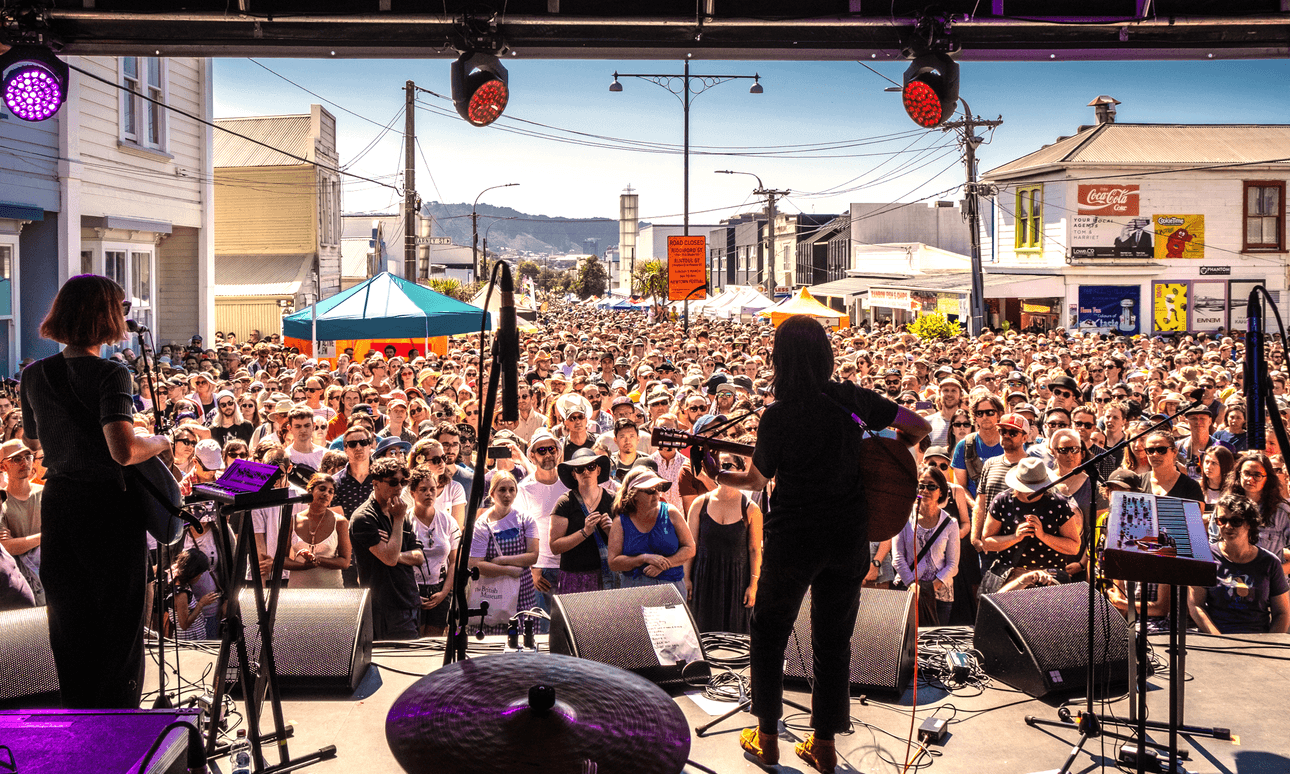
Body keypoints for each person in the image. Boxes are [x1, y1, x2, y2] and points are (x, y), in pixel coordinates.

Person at [708, 315, 929, 774]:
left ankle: (767, 738)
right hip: (848, 534)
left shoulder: (777, 415)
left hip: (794, 537)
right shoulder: (849, 397)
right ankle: (824, 745)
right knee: (834, 640)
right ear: (825, 354)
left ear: (780, 359)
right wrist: (892, 452)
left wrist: (715, 474)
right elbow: (919, 424)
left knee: (769, 631)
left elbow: (755, 478)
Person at [21, 274, 172, 707]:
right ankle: (118, 729)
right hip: (107, 505)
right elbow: (123, 451)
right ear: (106, 316)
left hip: (60, 503)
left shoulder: (34, 375)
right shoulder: (112, 373)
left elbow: (34, 442)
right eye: (121, 309)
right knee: (118, 621)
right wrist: (159, 440)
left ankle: (79, 720)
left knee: (69, 618)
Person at [684, 451, 763, 634]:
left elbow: (754, 550)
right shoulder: (699, 504)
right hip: (704, 579)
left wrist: (753, 584)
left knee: (735, 637)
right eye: (717, 466)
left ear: (743, 470)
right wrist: (686, 579)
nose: (721, 471)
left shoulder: (751, 509)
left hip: (736, 582)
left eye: (727, 466)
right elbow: (690, 546)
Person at [1188, 494, 1290, 634]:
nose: (1228, 526)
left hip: (1258, 642)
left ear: (1249, 523)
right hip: (1215, 643)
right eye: (1222, 520)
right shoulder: (1204, 558)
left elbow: (1282, 613)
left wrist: (1268, 646)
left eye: (1236, 521)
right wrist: (1219, 639)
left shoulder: (1270, 562)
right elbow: (1195, 605)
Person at [350, 457, 424, 640]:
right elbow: (389, 560)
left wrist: (393, 551)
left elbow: (419, 556)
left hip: (408, 601)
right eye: (393, 482)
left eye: (403, 482)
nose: (399, 487)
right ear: (375, 484)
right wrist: (398, 521)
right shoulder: (364, 517)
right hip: (384, 606)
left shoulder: (398, 511)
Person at [982, 457, 1082, 586]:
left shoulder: (1058, 504)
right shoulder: (1002, 501)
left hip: (1049, 575)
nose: (1033, 492)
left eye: (1038, 488)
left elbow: (1074, 547)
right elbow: (987, 543)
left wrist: (1043, 536)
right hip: (1012, 573)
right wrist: (1015, 537)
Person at [468, 471, 539, 636]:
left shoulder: (526, 519)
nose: (507, 494)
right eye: (502, 490)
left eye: (511, 490)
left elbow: (533, 555)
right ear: (492, 493)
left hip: (523, 594)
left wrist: (501, 560)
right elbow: (475, 564)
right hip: (493, 594)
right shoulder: (482, 524)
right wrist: (509, 570)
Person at [607, 466, 694, 597]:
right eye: (649, 491)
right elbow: (613, 563)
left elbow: (690, 548)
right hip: (634, 591)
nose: (656, 495)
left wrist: (665, 564)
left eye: (658, 489)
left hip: (671, 588)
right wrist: (643, 558)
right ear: (634, 495)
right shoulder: (620, 522)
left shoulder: (671, 512)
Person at [892, 464, 960, 626]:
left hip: (940, 596)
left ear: (941, 491)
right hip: (909, 591)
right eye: (921, 486)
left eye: (931, 486)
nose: (925, 490)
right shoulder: (904, 517)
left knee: (935, 645)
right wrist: (913, 585)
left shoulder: (950, 524)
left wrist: (931, 587)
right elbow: (897, 557)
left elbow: (953, 564)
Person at [548, 446, 616, 593]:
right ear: (574, 474)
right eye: (579, 468)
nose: (585, 471)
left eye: (590, 467)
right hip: (574, 578)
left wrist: (611, 531)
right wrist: (584, 532)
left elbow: (626, 544)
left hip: (607, 577)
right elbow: (554, 546)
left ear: (598, 470)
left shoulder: (613, 500)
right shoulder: (565, 502)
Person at [408, 466, 459, 637]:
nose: (429, 493)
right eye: (423, 490)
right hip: (413, 588)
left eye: (432, 489)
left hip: (440, 587)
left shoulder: (447, 521)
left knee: (435, 642)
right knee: (415, 641)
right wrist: (414, 593)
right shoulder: (405, 521)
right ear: (412, 492)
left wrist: (444, 593)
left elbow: (454, 562)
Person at [285, 473, 351, 589]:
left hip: (331, 592)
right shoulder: (292, 521)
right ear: (310, 490)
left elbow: (345, 562)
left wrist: (318, 560)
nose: (326, 493)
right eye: (322, 489)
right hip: (297, 592)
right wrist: (303, 566)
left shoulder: (340, 522)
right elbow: (282, 560)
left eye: (331, 492)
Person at [0, 440, 44, 606]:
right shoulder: (2, 501)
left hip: (49, 574)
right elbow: (6, 547)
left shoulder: (45, 493)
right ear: (3, 466)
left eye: (28, 457)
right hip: (20, 582)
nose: (24, 463)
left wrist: (20, 542)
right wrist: (45, 535)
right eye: (16, 459)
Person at [1139, 430, 1204, 502]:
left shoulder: (1190, 486)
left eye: (1161, 450)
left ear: (1174, 452)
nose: (1155, 454)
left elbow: (1194, 513)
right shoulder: (1137, 482)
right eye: (1150, 450)